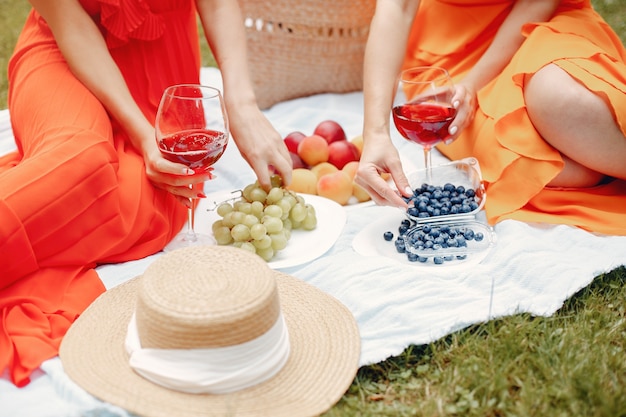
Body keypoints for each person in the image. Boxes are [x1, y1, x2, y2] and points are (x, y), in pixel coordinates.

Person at [0, 0, 292, 387]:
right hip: (67, 52)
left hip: (163, 72)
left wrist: (242, 105)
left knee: (149, 202)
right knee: (83, 160)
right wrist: (142, 135)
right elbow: (70, 22)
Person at [355, 0, 626, 235]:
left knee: (560, 99)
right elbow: (396, 8)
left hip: (539, 22)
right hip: (452, 52)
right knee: (534, 165)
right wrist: (376, 133)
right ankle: (598, 160)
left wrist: (474, 86)